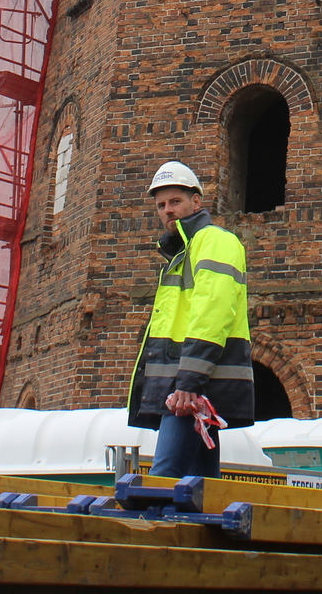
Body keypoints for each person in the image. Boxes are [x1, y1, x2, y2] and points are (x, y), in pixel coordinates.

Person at [125, 160, 254, 479]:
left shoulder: (214, 241)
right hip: (188, 384)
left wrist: (189, 382)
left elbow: (212, 312)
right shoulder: (183, 253)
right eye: (161, 205)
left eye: (175, 201)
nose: (168, 210)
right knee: (201, 486)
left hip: (190, 388)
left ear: (196, 202)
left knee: (164, 478)